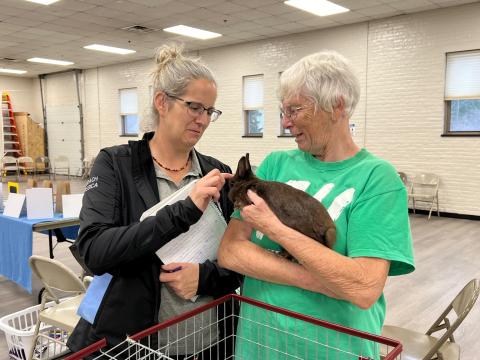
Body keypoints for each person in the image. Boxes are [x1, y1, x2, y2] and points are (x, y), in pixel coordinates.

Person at [218, 50, 415, 359]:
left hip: (332, 350)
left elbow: (363, 288)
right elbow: (231, 251)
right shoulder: (274, 164)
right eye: (283, 111)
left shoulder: (377, 179)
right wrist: (327, 282)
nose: (286, 122)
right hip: (260, 345)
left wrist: (275, 230)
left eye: (295, 109)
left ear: (336, 105)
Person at [67, 44, 241, 358]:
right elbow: (94, 250)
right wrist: (184, 210)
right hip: (138, 342)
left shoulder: (217, 174)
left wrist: (203, 278)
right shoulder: (115, 165)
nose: (202, 120)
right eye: (194, 107)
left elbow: (237, 261)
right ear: (162, 102)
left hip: (208, 342)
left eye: (210, 111)